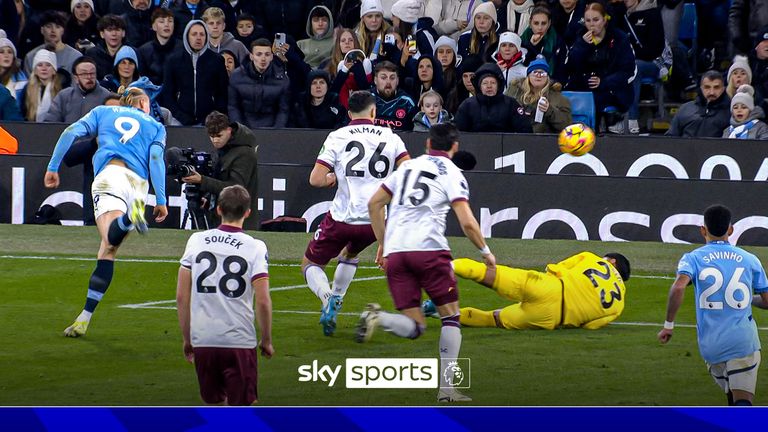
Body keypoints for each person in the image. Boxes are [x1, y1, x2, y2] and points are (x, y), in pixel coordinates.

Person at [359, 123, 495, 403]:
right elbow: (467, 222)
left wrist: (384, 244)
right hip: (429, 251)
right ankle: (447, 390)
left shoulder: (406, 168)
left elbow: (374, 204)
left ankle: (378, 317)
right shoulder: (452, 173)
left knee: (415, 326)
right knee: (451, 317)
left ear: (427, 144)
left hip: (397, 253)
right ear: (454, 147)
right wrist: (485, 251)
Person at [44, 86, 168, 337]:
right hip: (138, 186)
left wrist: (53, 166)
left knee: (109, 238)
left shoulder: (103, 112)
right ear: (143, 103)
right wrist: (161, 198)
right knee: (108, 250)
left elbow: (70, 132)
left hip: (110, 176)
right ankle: (84, 318)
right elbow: (156, 158)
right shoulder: (156, 126)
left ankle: (127, 218)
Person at [302, 90, 410, 337]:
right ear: (374, 112)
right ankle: (337, 298)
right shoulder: (390, 136)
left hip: (343, 217)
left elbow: (316, 179)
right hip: (375, 221)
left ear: (349, 113)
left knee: (310, 263)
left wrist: (332, 177)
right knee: (350, 254)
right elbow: (407, 172)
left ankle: (327, 296)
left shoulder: (338, 136)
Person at [658, 204, 768, 406]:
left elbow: (679, 287)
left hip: (711, 346)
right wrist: (747, 299)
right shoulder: (750, 259)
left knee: (731, 397)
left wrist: (668, 324)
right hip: (743, 342)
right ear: (731, 229)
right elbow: (767, 301)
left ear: (703, 229)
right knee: (743, 402)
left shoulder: (693, 258)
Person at [176, 184, 273, 406]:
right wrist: (266, 339)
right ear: (248, 213)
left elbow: (182, 296)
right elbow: (263, 300)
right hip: (238, 340)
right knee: (242, 409)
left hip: (203, 339)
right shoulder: (255, 247)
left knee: (214, 406)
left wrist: (187, 338)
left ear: (218, 209)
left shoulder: (196, 240)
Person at [427, 251, 629, 330]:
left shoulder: (593, 258)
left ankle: (444, 268)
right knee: (494, 319)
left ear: (612, 261)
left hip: (549, 287)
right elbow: (590, 326)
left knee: (490, 274)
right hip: (552, 318)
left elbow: (556, 267)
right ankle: (439, 312)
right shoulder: (619, 307)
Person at [44, 56, 111, 225]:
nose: (89, 77)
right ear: (75, 76)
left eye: (92, 73)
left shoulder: (106, 97)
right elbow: (49, 125)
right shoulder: (65, 96)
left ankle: (92, 220)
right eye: (84, 74)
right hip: (71, 150)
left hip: (95, 150)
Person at [180, 111, 260, 230]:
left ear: (229, 130)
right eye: (212, 136)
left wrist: (202, 180)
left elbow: (236, 189)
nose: (215, 140)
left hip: (240, 222)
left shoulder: (245, 153)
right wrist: (207, 197)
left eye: (219, 136)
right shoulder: (223, 150)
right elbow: (219, 179)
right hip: (220, 217)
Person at [562, 1, 635, 130]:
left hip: (611, 89)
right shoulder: (580, 37)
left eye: (596, 20)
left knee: (597, 100)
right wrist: (582, 46)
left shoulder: (619, 38)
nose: (591, 24)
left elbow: (627, 70)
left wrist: (603, 82)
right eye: (588, 20)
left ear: (604, 20)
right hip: (584, 88)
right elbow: (570, 66)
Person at [162, 19, 228, 126]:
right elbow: (168, 94)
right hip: (179, 120)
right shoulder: (173, 60)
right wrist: (180, 116)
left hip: (210, 121)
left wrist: (213, 116)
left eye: (202, 34)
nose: (198, 38)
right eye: (194, 34)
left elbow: (222, 94)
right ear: (187, 36)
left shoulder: (217, 60)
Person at [227, 38, 290, 129]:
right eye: (259, 54)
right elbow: (233, 107)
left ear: (272, 57)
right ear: (251, 56)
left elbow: (283, 110)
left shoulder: (282, 79)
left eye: (267, 54)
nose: (263, 58)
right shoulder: (237, 76)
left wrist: (277, 132)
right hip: (244, 127)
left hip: (272, 128)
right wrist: (239, 129)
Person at [454, 63, 533, 133]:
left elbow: (525, 131)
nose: (489, 86)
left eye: (493, 83)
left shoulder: (511, 104)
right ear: (479, 86)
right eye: (485, 83)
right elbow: (458, 132)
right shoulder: (468, 105)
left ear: (498, 86)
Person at [505, 57, 572, 133]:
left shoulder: (559, 98)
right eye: (535, 72)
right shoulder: (514, 92)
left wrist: (549, 110)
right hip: (514, 138)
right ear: (528, 76)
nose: (538, 76)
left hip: (543, 140)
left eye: (542, 73)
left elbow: (566, 125)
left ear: (548, 77)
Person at [666, 70, 731, 137]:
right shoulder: (685, 108)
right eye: (707, 87)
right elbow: (671, 136)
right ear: (701, 88)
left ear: (723, 89)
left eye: (716, 87)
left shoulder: (730, 111)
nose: (712, 92)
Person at [23, 11, 82, 77]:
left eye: (57, 27)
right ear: (42, 30)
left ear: (63, 31)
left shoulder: (76, 57)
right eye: (49, 26)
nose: (53, 30)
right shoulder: (31, 57)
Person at [136, 7, 181, 86]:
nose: (166, 25)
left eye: (170, 21)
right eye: (161, 21)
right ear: (154, 26)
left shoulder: (182, 48)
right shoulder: (143, 51)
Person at [372, 60, 419, 130]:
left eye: (392, 78)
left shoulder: (407, 102)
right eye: (383, 78)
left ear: (397, 81)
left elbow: (416, 132)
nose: (388, 82)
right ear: (375, 80)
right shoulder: (366, 99)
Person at [19, 49, 64, 122]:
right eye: (40, 65)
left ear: (54, 70)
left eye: (48, 65)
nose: (44, 68)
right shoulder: (27, 89)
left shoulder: (61, 89)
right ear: (35, 71)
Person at [84, 14, 127, 80]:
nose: (114, 34)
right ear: (102, 34)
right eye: (109, 30)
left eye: (117, 30)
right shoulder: (92, 54)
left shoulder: (132, 53)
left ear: (123, 33)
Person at [297, 5, 335, 69]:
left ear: (330, 22)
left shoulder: (336, 43)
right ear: (310, 23)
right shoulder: (300, 44)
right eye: (316, 20)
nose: (320, 24)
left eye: (324, 20)